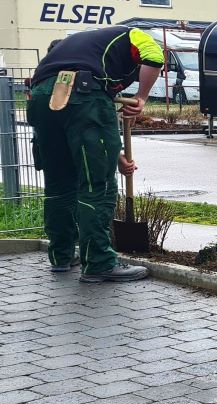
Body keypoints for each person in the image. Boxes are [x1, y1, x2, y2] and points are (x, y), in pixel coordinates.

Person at [26, 27, 163, 282]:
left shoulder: (81, 47)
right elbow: (154, 57)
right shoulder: (135, 34)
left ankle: (61, 256)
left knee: (59, 184)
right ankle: (99, 262)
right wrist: (142, 97)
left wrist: (116, 153)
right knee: (96, 184)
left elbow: (88, 126)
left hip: (42, 97)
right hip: (82, 93)